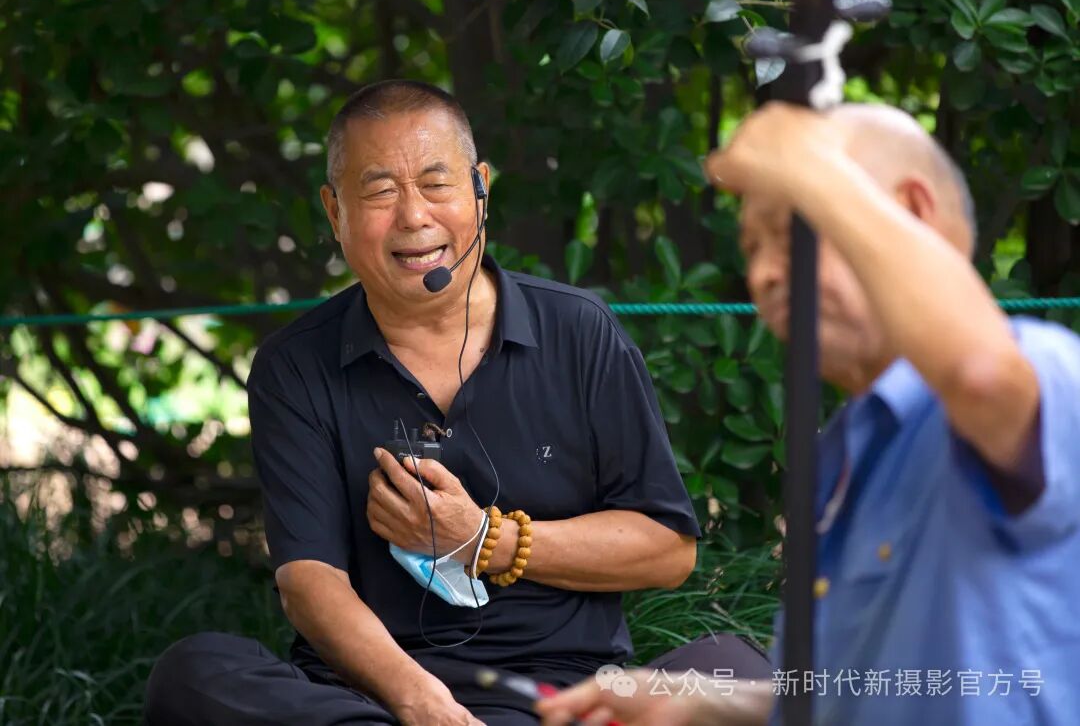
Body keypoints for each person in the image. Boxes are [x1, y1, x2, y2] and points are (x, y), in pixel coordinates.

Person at [143, 80, 771, 726]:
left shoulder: (579, 331)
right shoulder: (296, 364)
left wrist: (484, 540)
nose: (414, 216)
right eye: (380, 192)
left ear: (480, 188)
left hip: (557, 694)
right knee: (196, 674)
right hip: (373, 701)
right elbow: (309, 582)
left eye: (435, 183)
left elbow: (668, 549)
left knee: (739, 675)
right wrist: (420, 702)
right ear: (335, 212)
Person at [536, 102, 1080, 726]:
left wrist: (808, 161)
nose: (766, 274)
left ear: (911, 214)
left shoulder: (1042, 367)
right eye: (752, 248)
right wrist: (705, 700)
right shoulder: (853, 446)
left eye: (795, 234)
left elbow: (979, 374)